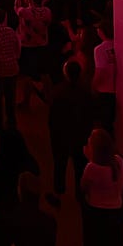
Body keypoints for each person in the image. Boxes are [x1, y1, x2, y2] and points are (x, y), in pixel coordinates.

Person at [80, 128, 123, 246]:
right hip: (116, 212)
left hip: (96, 213)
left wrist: (88, 159)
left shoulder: (92, 168)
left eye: (89, 143)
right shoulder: (119, 162)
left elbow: (83, 188)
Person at [47, 58, 95, 203]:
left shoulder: (57, 92)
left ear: (66, 73)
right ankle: (80, 194)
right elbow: (89, 117)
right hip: (80, 136)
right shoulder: (86, 93)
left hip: (61, 136)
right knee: (80, 165)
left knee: (60, 164)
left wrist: (53, 135)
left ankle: (59, 192)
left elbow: (53, 119)